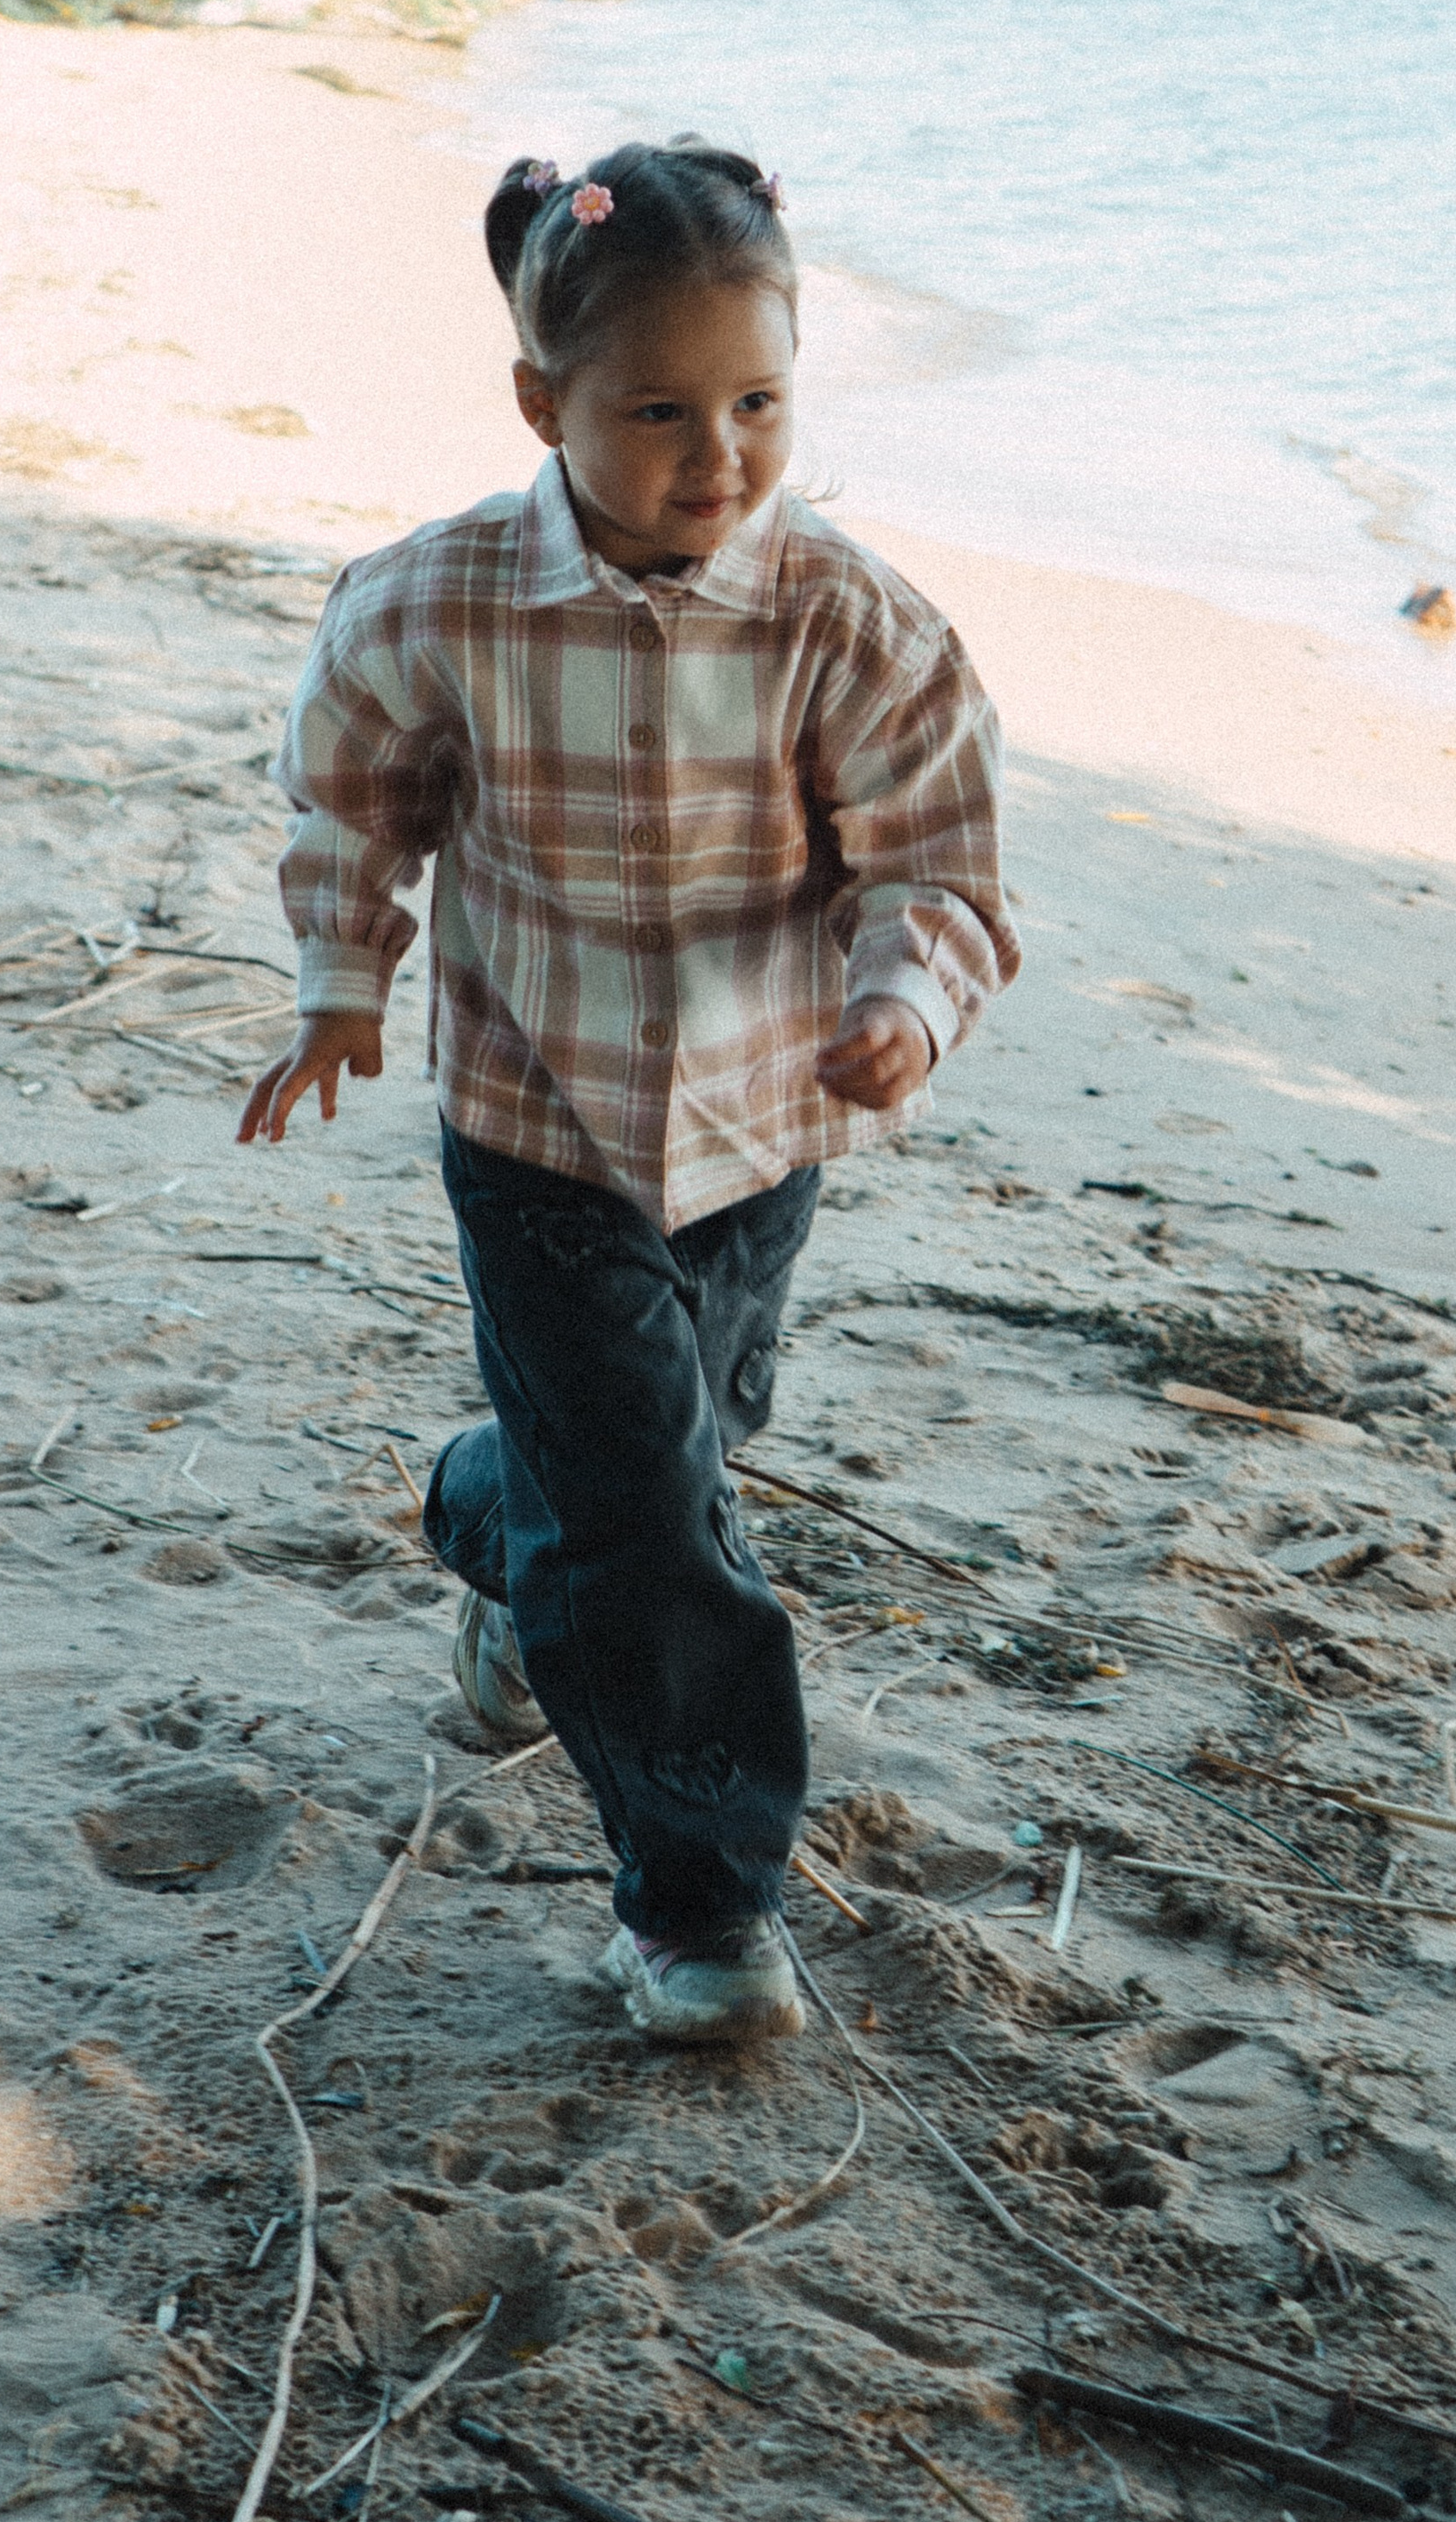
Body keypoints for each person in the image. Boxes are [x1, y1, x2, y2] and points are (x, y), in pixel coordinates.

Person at [238, 136, 1017, 2043]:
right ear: (542, 400)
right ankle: (698, 1908)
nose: (718, 454)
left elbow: (938, 857)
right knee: (664, 1533)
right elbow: (354, 796)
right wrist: (345, 981)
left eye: (757, 403)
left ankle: (493, 1524)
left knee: (670, 1451)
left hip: (763, 1126)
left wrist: (906, 999)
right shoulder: (438, 605)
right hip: (538, 1127)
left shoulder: (848, 617)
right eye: (657, 411)